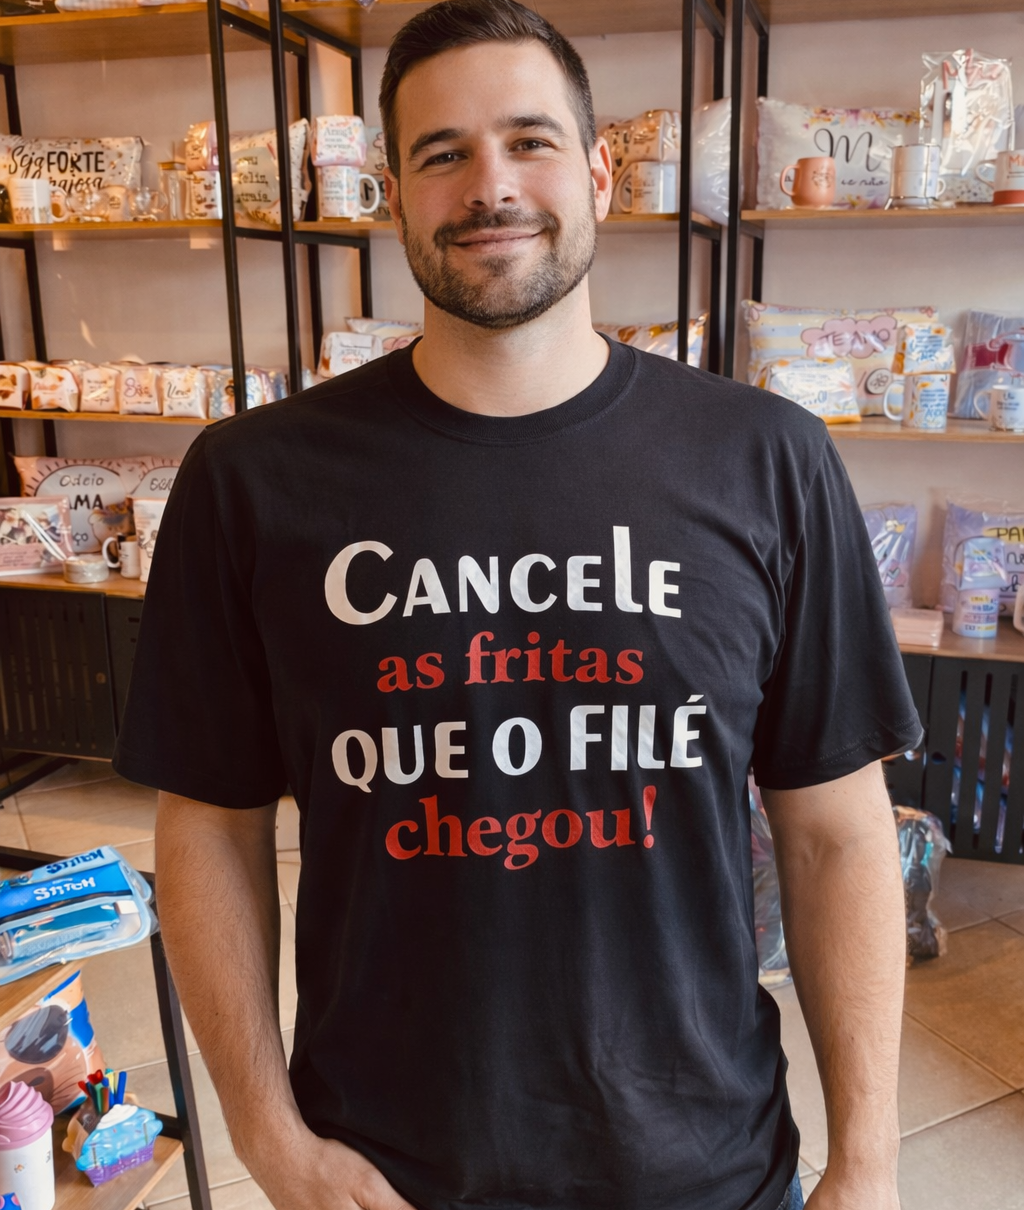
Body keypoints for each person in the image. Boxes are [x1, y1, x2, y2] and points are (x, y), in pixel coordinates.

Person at [112, 2, 922, 1208]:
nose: (490, 186)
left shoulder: (765, 458)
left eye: (529, 141)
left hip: (702, 1165)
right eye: (443, 153)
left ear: (597, 171)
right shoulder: (251, 479)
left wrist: (867, 1160)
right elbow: (208, 829)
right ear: (394, 196)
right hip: (386, 1172)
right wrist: (271, 1141)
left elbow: (837, 832)